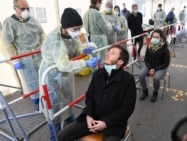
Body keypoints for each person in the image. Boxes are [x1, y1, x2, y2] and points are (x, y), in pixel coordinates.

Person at [38, 8, 99, 141]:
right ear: (66, 27)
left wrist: (84, 50)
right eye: (75, 28)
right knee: (54, 109)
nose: (78, 31)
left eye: (79, 28)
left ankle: (70, 130)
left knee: (67, 101)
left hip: (64, 75)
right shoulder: (56, 41)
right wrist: (85, 63)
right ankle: (55, 136)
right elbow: (63, 65)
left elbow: (75, 47)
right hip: (51, 77)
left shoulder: (70, 33)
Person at [57, 44, 137, 141]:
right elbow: (90, 96)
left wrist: (106, 123)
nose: (107, 54)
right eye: (108, 51)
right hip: (93, 117)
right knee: (62, 135)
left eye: (112, 53)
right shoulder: (98, 73)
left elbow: (127, 108)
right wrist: (89, 115)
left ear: (120, 62)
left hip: (113, 123)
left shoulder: (128, 80)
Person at [0, 0, 45, 111]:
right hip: (25, 58)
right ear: (15, 8)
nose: (26, 11)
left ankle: (47, 100)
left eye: (27, 9)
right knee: (32, 82)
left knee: (44, 78)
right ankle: (38, 104)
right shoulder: (9, 22)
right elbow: (7, 43)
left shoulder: (33, 20)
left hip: (39, 55)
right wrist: (15, 60)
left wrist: (44, 48)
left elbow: (42, 35)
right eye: (23, 9)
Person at [139, 29, 170, 103]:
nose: (154, 39)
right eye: (153, 37)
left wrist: (154, 69)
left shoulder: (165, 49)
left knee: (156, 78)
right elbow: (146, 59)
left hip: (161, 67)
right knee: (140, 75)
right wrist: (150, 68)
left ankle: (155, 92)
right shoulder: (149, 46)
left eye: (157, 37)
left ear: (161, 38)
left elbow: (166, 63)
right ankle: (145, 91)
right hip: (150, 66)